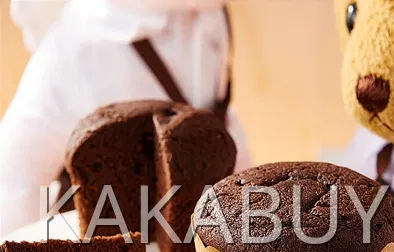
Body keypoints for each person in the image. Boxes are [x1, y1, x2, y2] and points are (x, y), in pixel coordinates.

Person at [0, 0, 251, 237]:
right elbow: (14, 176)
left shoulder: (208, 13)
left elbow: (220, 110)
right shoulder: (77, 47)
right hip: (106, 240)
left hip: (190, 227)